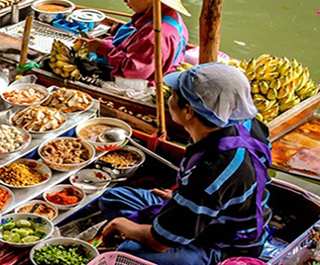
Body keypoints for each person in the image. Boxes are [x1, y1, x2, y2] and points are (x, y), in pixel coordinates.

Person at [99, 63, 272, 265]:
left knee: (130, 251)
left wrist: (119, 225)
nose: (168, 100)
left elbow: (159, 243)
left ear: (188, 111)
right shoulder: (248, 126)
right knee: (113, 197)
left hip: (223, 243)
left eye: (172, 95)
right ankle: (176, 219)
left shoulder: (211, 173)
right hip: (212, 212)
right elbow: (223, 193)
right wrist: (180, 199)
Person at [84, 0, 191, 86]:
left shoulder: (157, 33)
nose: (125, 0)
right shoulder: (163, 14)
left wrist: (105, 49)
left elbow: (134, 70)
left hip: (144, 83)